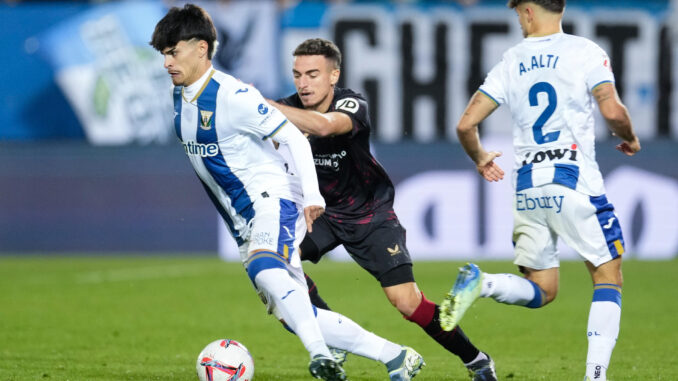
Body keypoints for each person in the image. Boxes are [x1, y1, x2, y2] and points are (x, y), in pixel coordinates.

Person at [150, 5, 425, 381]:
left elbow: (293, 136)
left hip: (273, 200)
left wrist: (312, 196)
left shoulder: (235, 95)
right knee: (292, 311)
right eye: (163, 54)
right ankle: (396, 356)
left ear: (201, 48)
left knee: (267, 268)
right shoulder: (179, 96)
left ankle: (320, 356)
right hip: (242, 221)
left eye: (173, 51)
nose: (166, 62)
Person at [268, 38, 497, 381]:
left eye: (313, 74)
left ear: (334, 75)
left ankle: (476, 360)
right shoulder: (287, 107)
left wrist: (259, 105)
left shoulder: (352, 104)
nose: (303, 83)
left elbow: (324, 126)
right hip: (321, 216)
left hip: (369, 216)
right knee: (274, 273)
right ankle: (334, 339)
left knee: (408, 303)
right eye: (297, 74)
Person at [439, 1, 641, 381]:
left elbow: (466, 125)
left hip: (529, 186)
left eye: (517, 12)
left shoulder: (510, 60)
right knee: (608, 276)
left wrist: (482, 158)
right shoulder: (585, 51)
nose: (517, 19)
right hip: (573, 178)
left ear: (529, 11)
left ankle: (484, 283)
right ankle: (596, 376)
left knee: (543, 289)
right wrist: (630, 137)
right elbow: (612, 112)